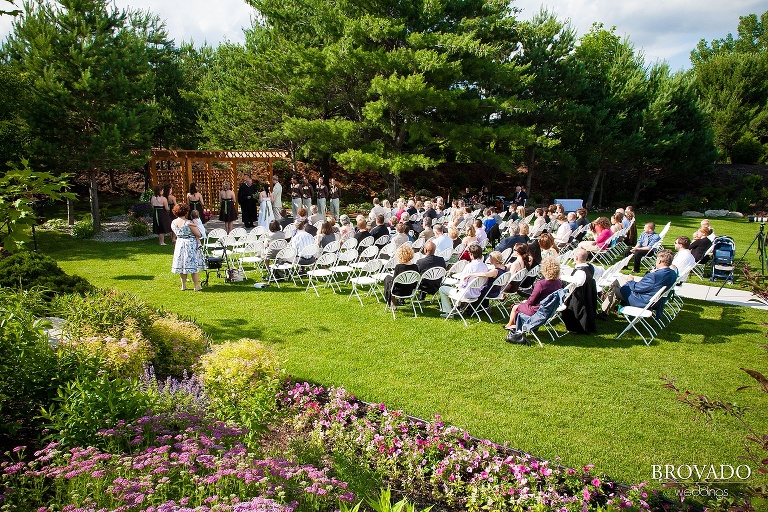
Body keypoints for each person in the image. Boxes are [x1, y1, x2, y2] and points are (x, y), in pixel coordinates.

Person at [600, 249, 678, 317]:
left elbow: (636, 288)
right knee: (618, 281)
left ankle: (604, 311)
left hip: (642, 301)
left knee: (616, 287)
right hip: (655, 301)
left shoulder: (654, 275)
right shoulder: (673, 273)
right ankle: (606, 305)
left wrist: (630, 280)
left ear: (660, 261)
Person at [504, 257, 562, 330]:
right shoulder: (559, 282)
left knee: (515, 307)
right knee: (521, 304)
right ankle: (517, 325)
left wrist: (524, 303)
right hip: (548, 310)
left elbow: (531, 301)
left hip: (537, 311)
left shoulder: (541, 284)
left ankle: (510, 325)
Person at [438, 244, 488, 315]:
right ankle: (457, 308)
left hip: (466, 294)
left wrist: (458, 286)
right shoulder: (484, 266)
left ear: (471, 254)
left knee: (442, 289)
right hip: (477, 293)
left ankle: (448, 311)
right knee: (456, 287)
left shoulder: (469, 266)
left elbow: (463, 282)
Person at [560, 248, 598, 334]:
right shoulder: (591, 267)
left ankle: (579, 327)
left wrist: (562, 277)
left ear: (576, 258)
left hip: (578, 298)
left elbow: (578, 282)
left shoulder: (580, 271)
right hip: (588, 294)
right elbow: (601, 271)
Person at [170, 203, 204, 291]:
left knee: (182, 265)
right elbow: (199, 234)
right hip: (190, 244)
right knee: (193, 265)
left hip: (179, 244)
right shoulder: (189, 223)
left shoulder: (173, 222)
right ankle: (196, 286)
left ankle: (183, 285)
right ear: (186, 212)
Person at [383, 244, 419, 308]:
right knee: (401, 281)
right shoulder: (415, 267)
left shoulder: (398, 267)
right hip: (409, 290)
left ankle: (392, 302)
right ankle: (401, 300)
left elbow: (394, 282)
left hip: (397, 291)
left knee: (388, 278)